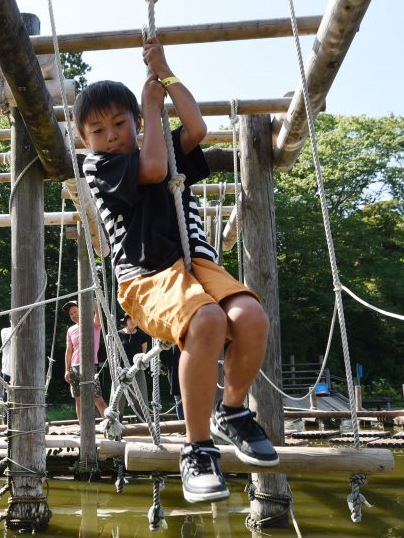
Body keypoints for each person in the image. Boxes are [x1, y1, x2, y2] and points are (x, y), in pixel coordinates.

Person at [75, 37, 277, 504]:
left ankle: (233, 412)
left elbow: (198, 126)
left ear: (137, 123)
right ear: (85, 140)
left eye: (120, 123)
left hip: (196, 260)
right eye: (98, 129)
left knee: (250, 317)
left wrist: (164, 72)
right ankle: (197, 447)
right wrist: (147, 103)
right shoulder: (99, 166)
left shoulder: (158, 142)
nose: (110, 135)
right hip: (146, 274)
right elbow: (150, 169)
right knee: (206, 321)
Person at [63, 300, 108, 421]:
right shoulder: (70, 330)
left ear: (82, 310)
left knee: (97, 399)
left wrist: (95, 303)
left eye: (75, 311)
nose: (73, 315)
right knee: (78, 400)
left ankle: (111, 428)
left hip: (89, 366)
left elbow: (98, 317)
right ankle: (82, 428)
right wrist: (67, 370)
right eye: (71, 314)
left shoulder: (92, 323)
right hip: (74, 367)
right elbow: (69, 351)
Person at [117, 313, 150, 412]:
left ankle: (143, 421)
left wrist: (140, 365)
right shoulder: (118, 334)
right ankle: (117, 421)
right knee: (119, 395)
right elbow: (114, 351)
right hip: (122, 368)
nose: (132, 321)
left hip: (137, 368)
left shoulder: (141, 335)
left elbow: (144, 354)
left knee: (140, 394)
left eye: (134, 318)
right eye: (129, 319)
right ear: (126, 321)